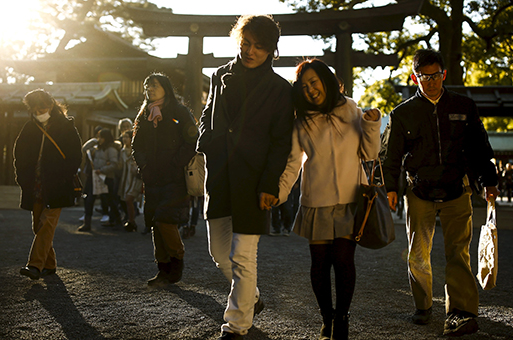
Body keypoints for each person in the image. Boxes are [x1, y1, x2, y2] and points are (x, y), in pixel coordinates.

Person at [383, 49, 499, 336]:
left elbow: (479, 147)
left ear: (443, 74)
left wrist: (489, 180)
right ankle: (423, 305)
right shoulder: (402, 113)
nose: (430, 82)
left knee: (458, 251)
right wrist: (389, 187)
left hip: (457, 188)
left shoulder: (465, 106)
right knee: (418, 254)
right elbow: (392, 155)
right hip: (419, 189)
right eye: (424, 76)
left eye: (435, 75)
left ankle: (461, 310)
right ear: (415, 77)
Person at [197, 14, 294, 340]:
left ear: (272, 50)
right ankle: (251, 298)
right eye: (246, 43)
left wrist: (270, 184)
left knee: (242, 255)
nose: (251, 50)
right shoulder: (219, 75)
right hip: (219, 173)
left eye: (260, 46)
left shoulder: (281, 89)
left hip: (254, 180)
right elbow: (207, 114)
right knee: (219, 252)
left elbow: (282, 142)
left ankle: (236, 326)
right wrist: (205, 141)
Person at [278, 58, 380, 340]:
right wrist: (280, 192)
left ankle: (342, 318)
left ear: (327, 80)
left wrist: (372, 125)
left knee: (344, 260)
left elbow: (370, 154)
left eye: (314, 82)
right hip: (317, 200)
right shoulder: (302, 120)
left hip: (350, 198)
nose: (310, 89)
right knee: (320, 263)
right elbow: (293, 163)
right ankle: (327, 316)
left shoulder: (350, 108)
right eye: (305, 85)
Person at [132, 72, 197, 287]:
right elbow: (136, 145)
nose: (149, 89)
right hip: (152, 177)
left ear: (166, 88)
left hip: (174, 177)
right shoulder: (144, 114)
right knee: (154, 223)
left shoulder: (178, 111)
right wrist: (145, 167)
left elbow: (192, 140)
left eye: (154, 85)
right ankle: (163, 269)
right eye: (147, 86)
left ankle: (176, 263)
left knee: (165, 220)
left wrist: (175, 163)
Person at [14, 89, 82, 280]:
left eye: (43, 107)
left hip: (57, 184)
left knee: (47, 223)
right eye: (36, 109)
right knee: (38, 226)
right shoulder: (29, 128)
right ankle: (49, 264)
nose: (39, 112)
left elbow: (75, 156)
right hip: (34, 184)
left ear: (51, 105)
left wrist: (63, 176)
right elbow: (18, 155)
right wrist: (22, 179)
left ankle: (35, 265)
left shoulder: (66, 127)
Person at [78, 129, 121, 231]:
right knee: (89, 198)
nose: (99, 139)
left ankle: (116, 220)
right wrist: (94, 140)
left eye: (101, 137)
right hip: (94, 176)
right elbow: (84, 149)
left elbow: (114, 164)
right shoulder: (96, 148)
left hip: (106, 177)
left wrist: (102, 170)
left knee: (109, 199)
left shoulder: (111, 149)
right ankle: (87, 223)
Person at [118, 130, 143, 232]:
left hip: (136, 179)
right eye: (123, 137)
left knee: (129, 199)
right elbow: (120, 166)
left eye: (127, 137)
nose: (125, 139)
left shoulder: (138, 150)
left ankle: (133, 221)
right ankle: (131, 221)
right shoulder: (122, 151)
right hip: (126, 178)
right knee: (127, 200)